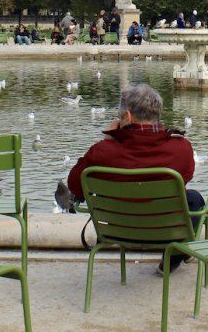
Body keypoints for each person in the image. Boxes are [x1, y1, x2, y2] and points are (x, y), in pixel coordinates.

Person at [66, 84, 199, 274]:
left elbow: (75, 186)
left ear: (127, 117)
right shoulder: (182, 148)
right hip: (164, 231)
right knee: (194, 199)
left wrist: (108, 140)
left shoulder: (102, 153)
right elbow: (186, 176)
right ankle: (175, 255)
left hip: (118, 232)